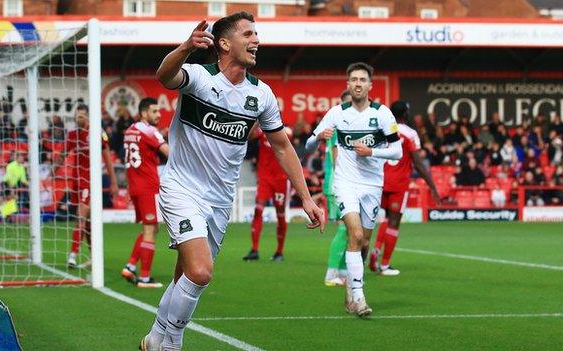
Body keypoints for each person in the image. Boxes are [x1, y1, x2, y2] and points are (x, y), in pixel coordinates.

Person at [140, 13, 324, 351]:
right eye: (248, 34)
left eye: (257, 34)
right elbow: (165, 76)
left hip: (220, 201)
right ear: (224, 43)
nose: (256, 40)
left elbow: (282, 146)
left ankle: (154, 338)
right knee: (200, 272)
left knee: (185, 276)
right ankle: (171, 344)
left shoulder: (262, 95)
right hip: (182, 187)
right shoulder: (198, 77)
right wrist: (184, 47)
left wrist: (307, 197)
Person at [306, 62, 402, 317]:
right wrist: (318, 136)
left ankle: (351, 288)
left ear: (371, 85)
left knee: (364, 243)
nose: (358, 83)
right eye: (354, 80)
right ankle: (359, 298)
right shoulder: (337, 113)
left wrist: (372, 151)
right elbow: (306, 143)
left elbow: (397, 151)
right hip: (345, 184)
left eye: (362, 80)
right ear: (348, 85)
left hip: (372, 185)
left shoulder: (382, 114)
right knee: (355, 235)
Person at [368, 101, 441, 276]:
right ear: (406, 114)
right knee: (394, 223)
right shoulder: (410, 134)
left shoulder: (381, 130)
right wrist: (432, 186)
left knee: (385, 219)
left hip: (381, 182)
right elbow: (418, 163)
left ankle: (376, 249)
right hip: (399, 184)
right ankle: (385, 265)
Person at [120, 98, 169, 288]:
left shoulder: (130, 131)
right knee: (150, 230)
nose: (158, 115)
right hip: (147, 186)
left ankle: (130, 266)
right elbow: (167, 151)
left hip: (134, 186)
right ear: (144, 113)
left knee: (151, 228)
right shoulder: (149, 130)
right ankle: (145, 278)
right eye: (155, 111)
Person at [66, 104, 119, 268]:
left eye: (82, 115)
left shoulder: (96, 133)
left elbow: (107, 158)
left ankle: (72, 255)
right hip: (76, 181)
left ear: (88, 117)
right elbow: (63, 154)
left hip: (89, 181)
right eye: (77, 115)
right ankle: (93, 256)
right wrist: (52, 171)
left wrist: (113, 181)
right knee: (86, 221)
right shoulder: (72, 134)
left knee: (81, 216)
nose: (78, 118)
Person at [243, 126, 293, 262]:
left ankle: (279, 252)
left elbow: (290, 139)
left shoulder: (287, 132)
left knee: (280, 215)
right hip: (265, 177)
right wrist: (257, 121)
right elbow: (248, 135)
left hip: (281, 179)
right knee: (258, 210)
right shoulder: (261, 131)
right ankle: (254, 250)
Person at [323, 90, 352, 287]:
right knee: (344, 228)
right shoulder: (337, 127)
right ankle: (331, 273)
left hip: (344, 184)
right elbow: (336, 158)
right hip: (337, 184)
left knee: (350, 230)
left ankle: (341, 272)